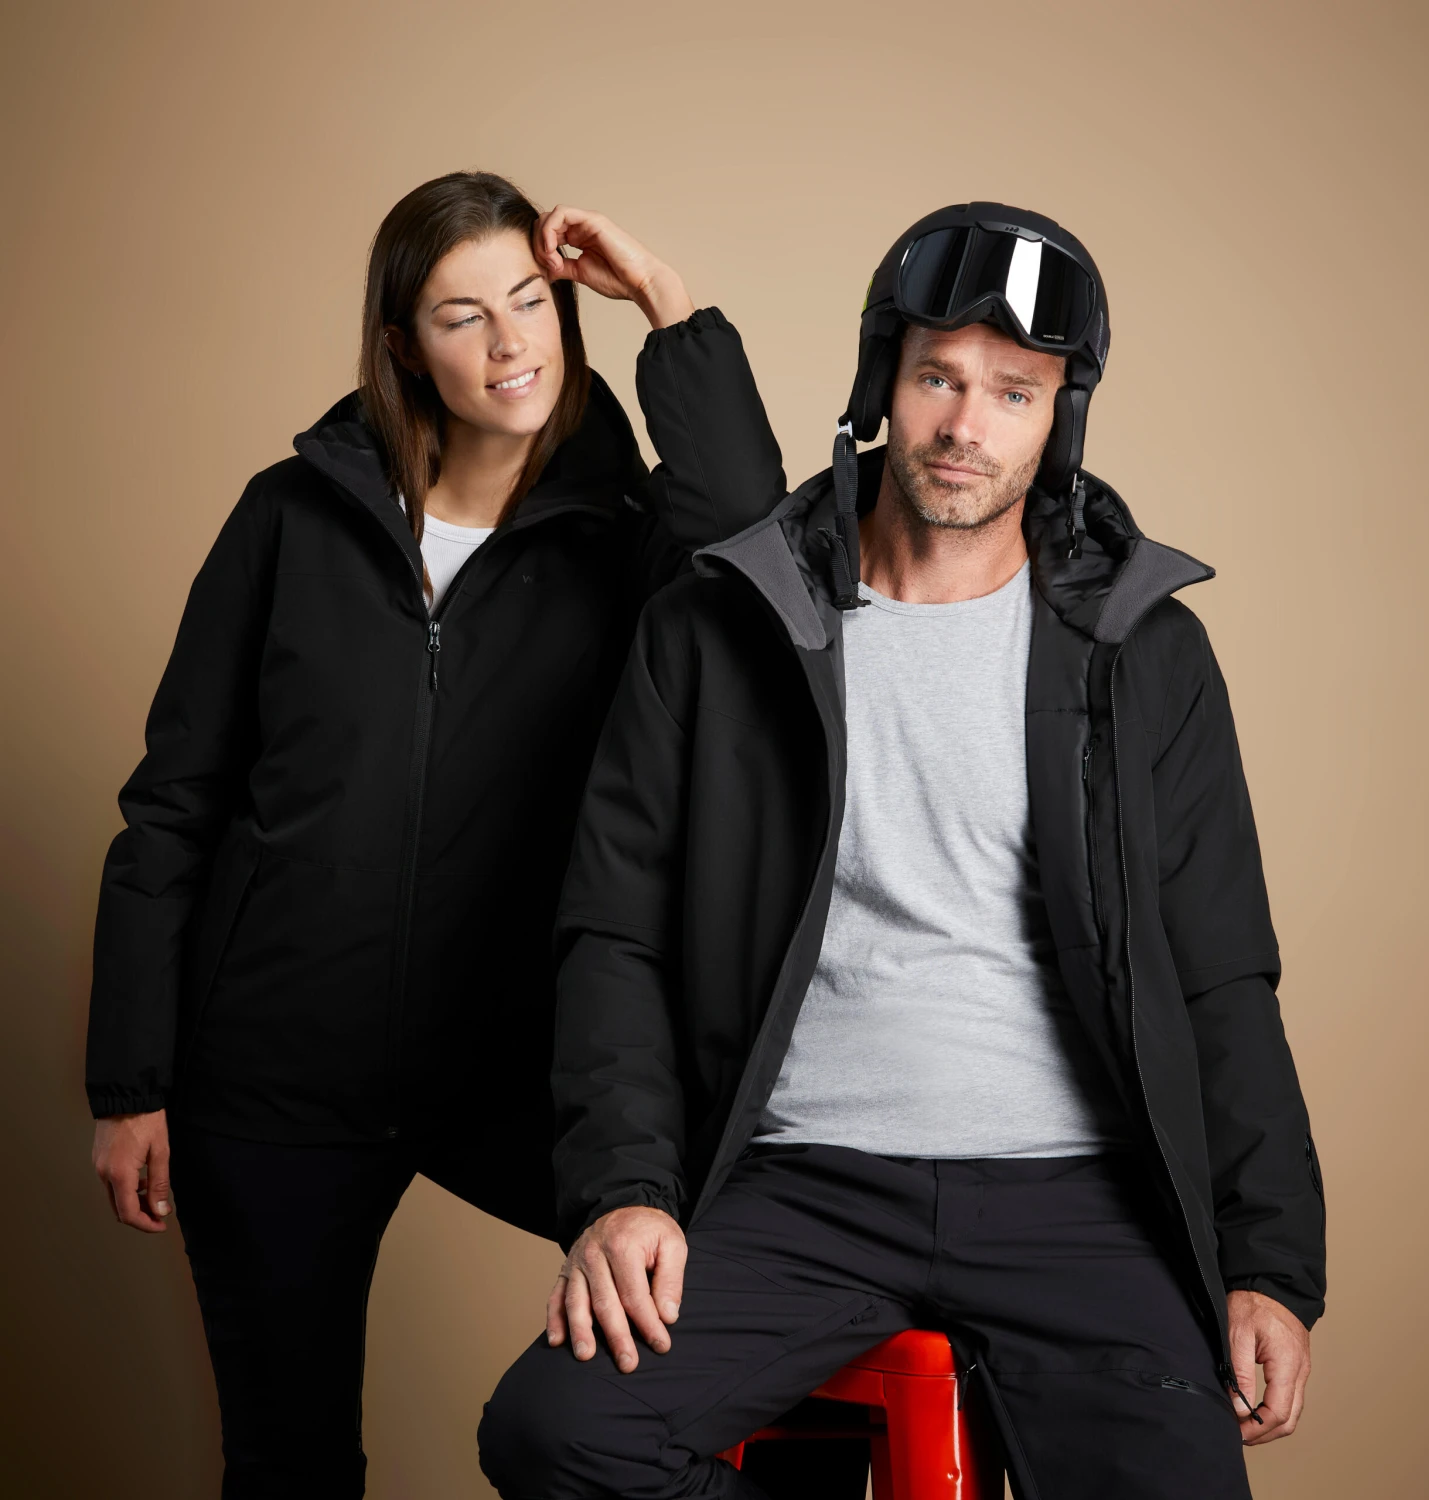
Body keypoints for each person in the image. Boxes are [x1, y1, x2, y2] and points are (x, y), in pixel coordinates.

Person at [478, 202, 1327, 1499]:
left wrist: (1268, 1263)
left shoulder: (1144, 650)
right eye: (939, 377)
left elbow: (1220, 968)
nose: (965, 425)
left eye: (1014, 393)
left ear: (1059, 418)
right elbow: (618, 935)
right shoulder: (728, 623)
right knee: (559, 1433)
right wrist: (625, 1191)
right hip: (803, 1185)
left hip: (1076, 1199)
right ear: (885, 378)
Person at [85, 172, 783, 1499]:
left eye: (531, 302)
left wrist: (666, 304)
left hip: (516, 1064)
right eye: (464, 317)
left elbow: (752, 532)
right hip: (278, 1074)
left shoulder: (625, 538)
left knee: (715, 1320)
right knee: (287, 1464)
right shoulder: (288, 520)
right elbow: (174, 800)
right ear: (404, 345)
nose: (512, 343)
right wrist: (129, 1080)